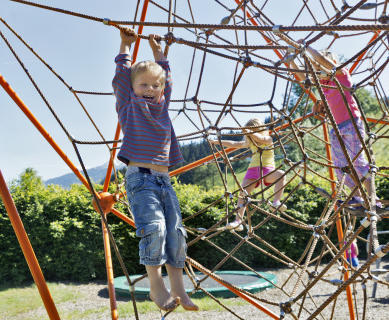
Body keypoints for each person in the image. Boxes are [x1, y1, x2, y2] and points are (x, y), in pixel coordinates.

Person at [112, 26, 198, 312]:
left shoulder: (163, 104)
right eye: (143, 85)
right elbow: (122, 77)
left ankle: (178, 288)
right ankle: (155, 286)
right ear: (133, 88)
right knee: (156, 228)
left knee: (176, 232)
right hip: (141, 179)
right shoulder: (128, 104)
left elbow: (166, 75)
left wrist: (157, 50)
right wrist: (125, 46)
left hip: (164, 180)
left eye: (155, 86)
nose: (150, 89)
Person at [288, 41, 379, 207]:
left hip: (351, 123)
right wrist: (291, 59)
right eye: (316, 69)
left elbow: (322, 59)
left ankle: (374, 199)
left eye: (319, 67)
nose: (318, 71)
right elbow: (304, 78)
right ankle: (357, 198)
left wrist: (306, 48)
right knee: (342, 166)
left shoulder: (341, 75)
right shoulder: (324, 84)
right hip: (337, 129)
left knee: (357, 163)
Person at [209, 118, 286, 232]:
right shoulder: (250, 141)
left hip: (267, 170)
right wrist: (217, 142)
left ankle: (276, 202)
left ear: (258, 130)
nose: (249, 136)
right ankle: (238, 221)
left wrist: (249, 131)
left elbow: (261, 138)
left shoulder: (268, 139)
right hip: (253, 170)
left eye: (251, 132)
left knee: (281, 174)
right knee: (243, 193)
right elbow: (235, 144)